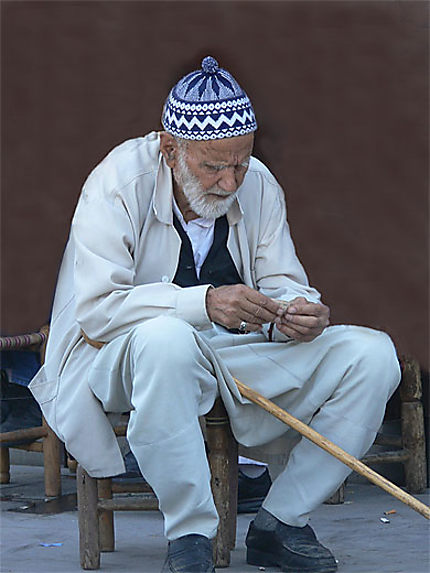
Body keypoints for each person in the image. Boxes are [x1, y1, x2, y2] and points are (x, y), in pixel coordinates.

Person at [29, 56, 401, 573]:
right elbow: (97, 313)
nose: (230, 182)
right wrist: (201, 303)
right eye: (212, 166)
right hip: (118, 357)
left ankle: (282, 522)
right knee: (166, 340)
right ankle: (190, 536)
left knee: (373, 354)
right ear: (168, 147)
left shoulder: (258, 183)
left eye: (241, 164)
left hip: (229, 354)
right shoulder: (115, 183)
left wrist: (296, 310)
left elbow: (282, 279)